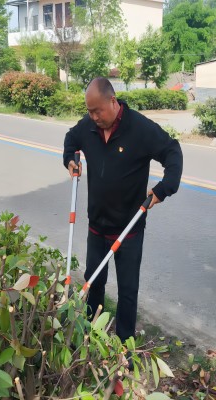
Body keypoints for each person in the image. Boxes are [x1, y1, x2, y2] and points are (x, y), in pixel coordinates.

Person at [63, 77, 183, 343]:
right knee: (93, 282)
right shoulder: (89, 126)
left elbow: (172, 151)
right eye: (89, 111)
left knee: (128, 292)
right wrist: (69, 159)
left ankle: (123, 346)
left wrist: (164, 188)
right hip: (97, 226)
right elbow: (71, 139)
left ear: (113, 101)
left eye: (97, 111)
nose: (94, 117)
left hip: (129, 229)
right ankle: (90, 337)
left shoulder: (139, 128)